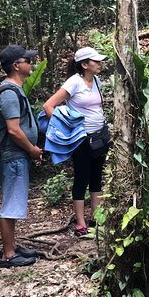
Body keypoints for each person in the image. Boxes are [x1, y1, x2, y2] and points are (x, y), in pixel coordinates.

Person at [43, 47, 108, 236]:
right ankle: (80, 223)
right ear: (84, 64)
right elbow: (49, 106)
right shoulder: (74, 82)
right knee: (82, 178)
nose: (99, 63)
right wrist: (64, 131)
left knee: (97, 177)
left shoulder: (97, 81)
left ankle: (95, 219)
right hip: (81, 139)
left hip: (99, 136)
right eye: (95, 61)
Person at [0, 45, 43, 268]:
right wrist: (31, 149)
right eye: (27, 60)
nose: (31, 64)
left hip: (17, 156)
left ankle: (12, 246)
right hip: (14, 156)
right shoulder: (8, 94)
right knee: (10, 204)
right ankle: (8, 255)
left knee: (14, 203)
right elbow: (13, 130)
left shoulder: (15, 90)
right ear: (16, 66)